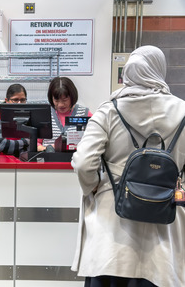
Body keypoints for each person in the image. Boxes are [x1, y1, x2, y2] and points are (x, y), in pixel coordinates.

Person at [71, 46, 185, 287]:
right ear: (159, 70)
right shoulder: (183, 111)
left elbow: (83, 163)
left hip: (111, 237)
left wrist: (92, 187)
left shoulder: (109, 110)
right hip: (165, 231)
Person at [0, 84, 45, 156]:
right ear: (7, 100)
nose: (19, 103)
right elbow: (2, 145)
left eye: (22, 100)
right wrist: (26, 142)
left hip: (19, 163)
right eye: (15, 100)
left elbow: (34, 144)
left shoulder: (27, 118)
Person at [47, 76, 91, 144]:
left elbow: (94, 139)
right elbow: (36, 142)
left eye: (65, 100)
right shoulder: (46, 114)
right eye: (56, 100)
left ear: (72, 97)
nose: (60, 104)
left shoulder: (84, 113)